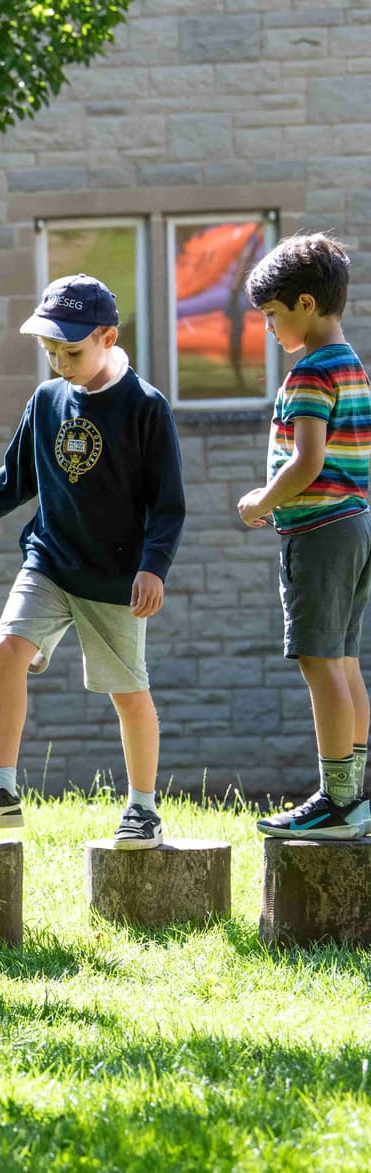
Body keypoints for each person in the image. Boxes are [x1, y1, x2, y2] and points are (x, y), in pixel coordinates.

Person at [0, 274, 186, 849]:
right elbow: (12, 481)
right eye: (50, 352)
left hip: (114, 578)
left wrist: (153, 567)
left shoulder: (145, 408)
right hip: (49, 561)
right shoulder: (46, 401)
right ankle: (2, 790)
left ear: (108, 337)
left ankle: (142, 809)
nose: (60, 362)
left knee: (127, 692)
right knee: (6, 648)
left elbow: (168, 505)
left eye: (72, 351)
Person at [237, 233, 371, 838]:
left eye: (272, 315)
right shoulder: (353, 365)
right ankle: (356, 796)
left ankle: (336, 800)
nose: (268, 328)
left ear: (307, 303)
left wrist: (262, 500)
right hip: (354, 525)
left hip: (319, 533)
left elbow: (308, 462)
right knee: (343, 660)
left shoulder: (311, 372)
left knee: (318, 661)